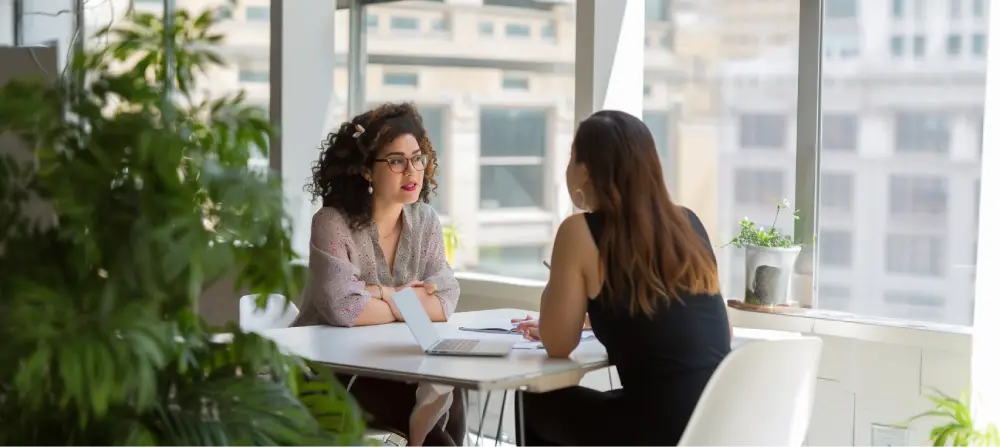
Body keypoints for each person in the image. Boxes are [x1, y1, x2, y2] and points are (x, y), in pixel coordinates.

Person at [512, 110, 733, 447]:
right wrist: (596, 320)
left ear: (585, 171)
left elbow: (557, 345)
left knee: (534, 400)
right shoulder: (687, 223)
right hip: (716, 425)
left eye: (571, 158)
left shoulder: (578, 231)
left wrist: (558, 282)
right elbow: (716, 329)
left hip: (657, 432)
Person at [293, 102, 465, 447]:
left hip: (393, 364)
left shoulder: (424, 220)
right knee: (432, 427)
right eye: (396, 161)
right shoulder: (332, 223)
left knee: (453, 393)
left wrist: (382, 293)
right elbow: (347, 310)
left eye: (417, 158)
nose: (412, 171)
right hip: (330, 373)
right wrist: (408, 300)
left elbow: (445, 300)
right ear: (367, 170)